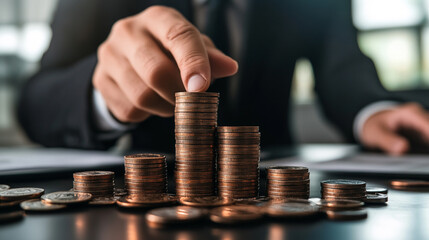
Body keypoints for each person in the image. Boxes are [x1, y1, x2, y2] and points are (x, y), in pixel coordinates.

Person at [17, 0, 429, 155]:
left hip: (275, 201)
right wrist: (104, 95)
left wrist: (373, 110)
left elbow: (343, 67)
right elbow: (36, 99)